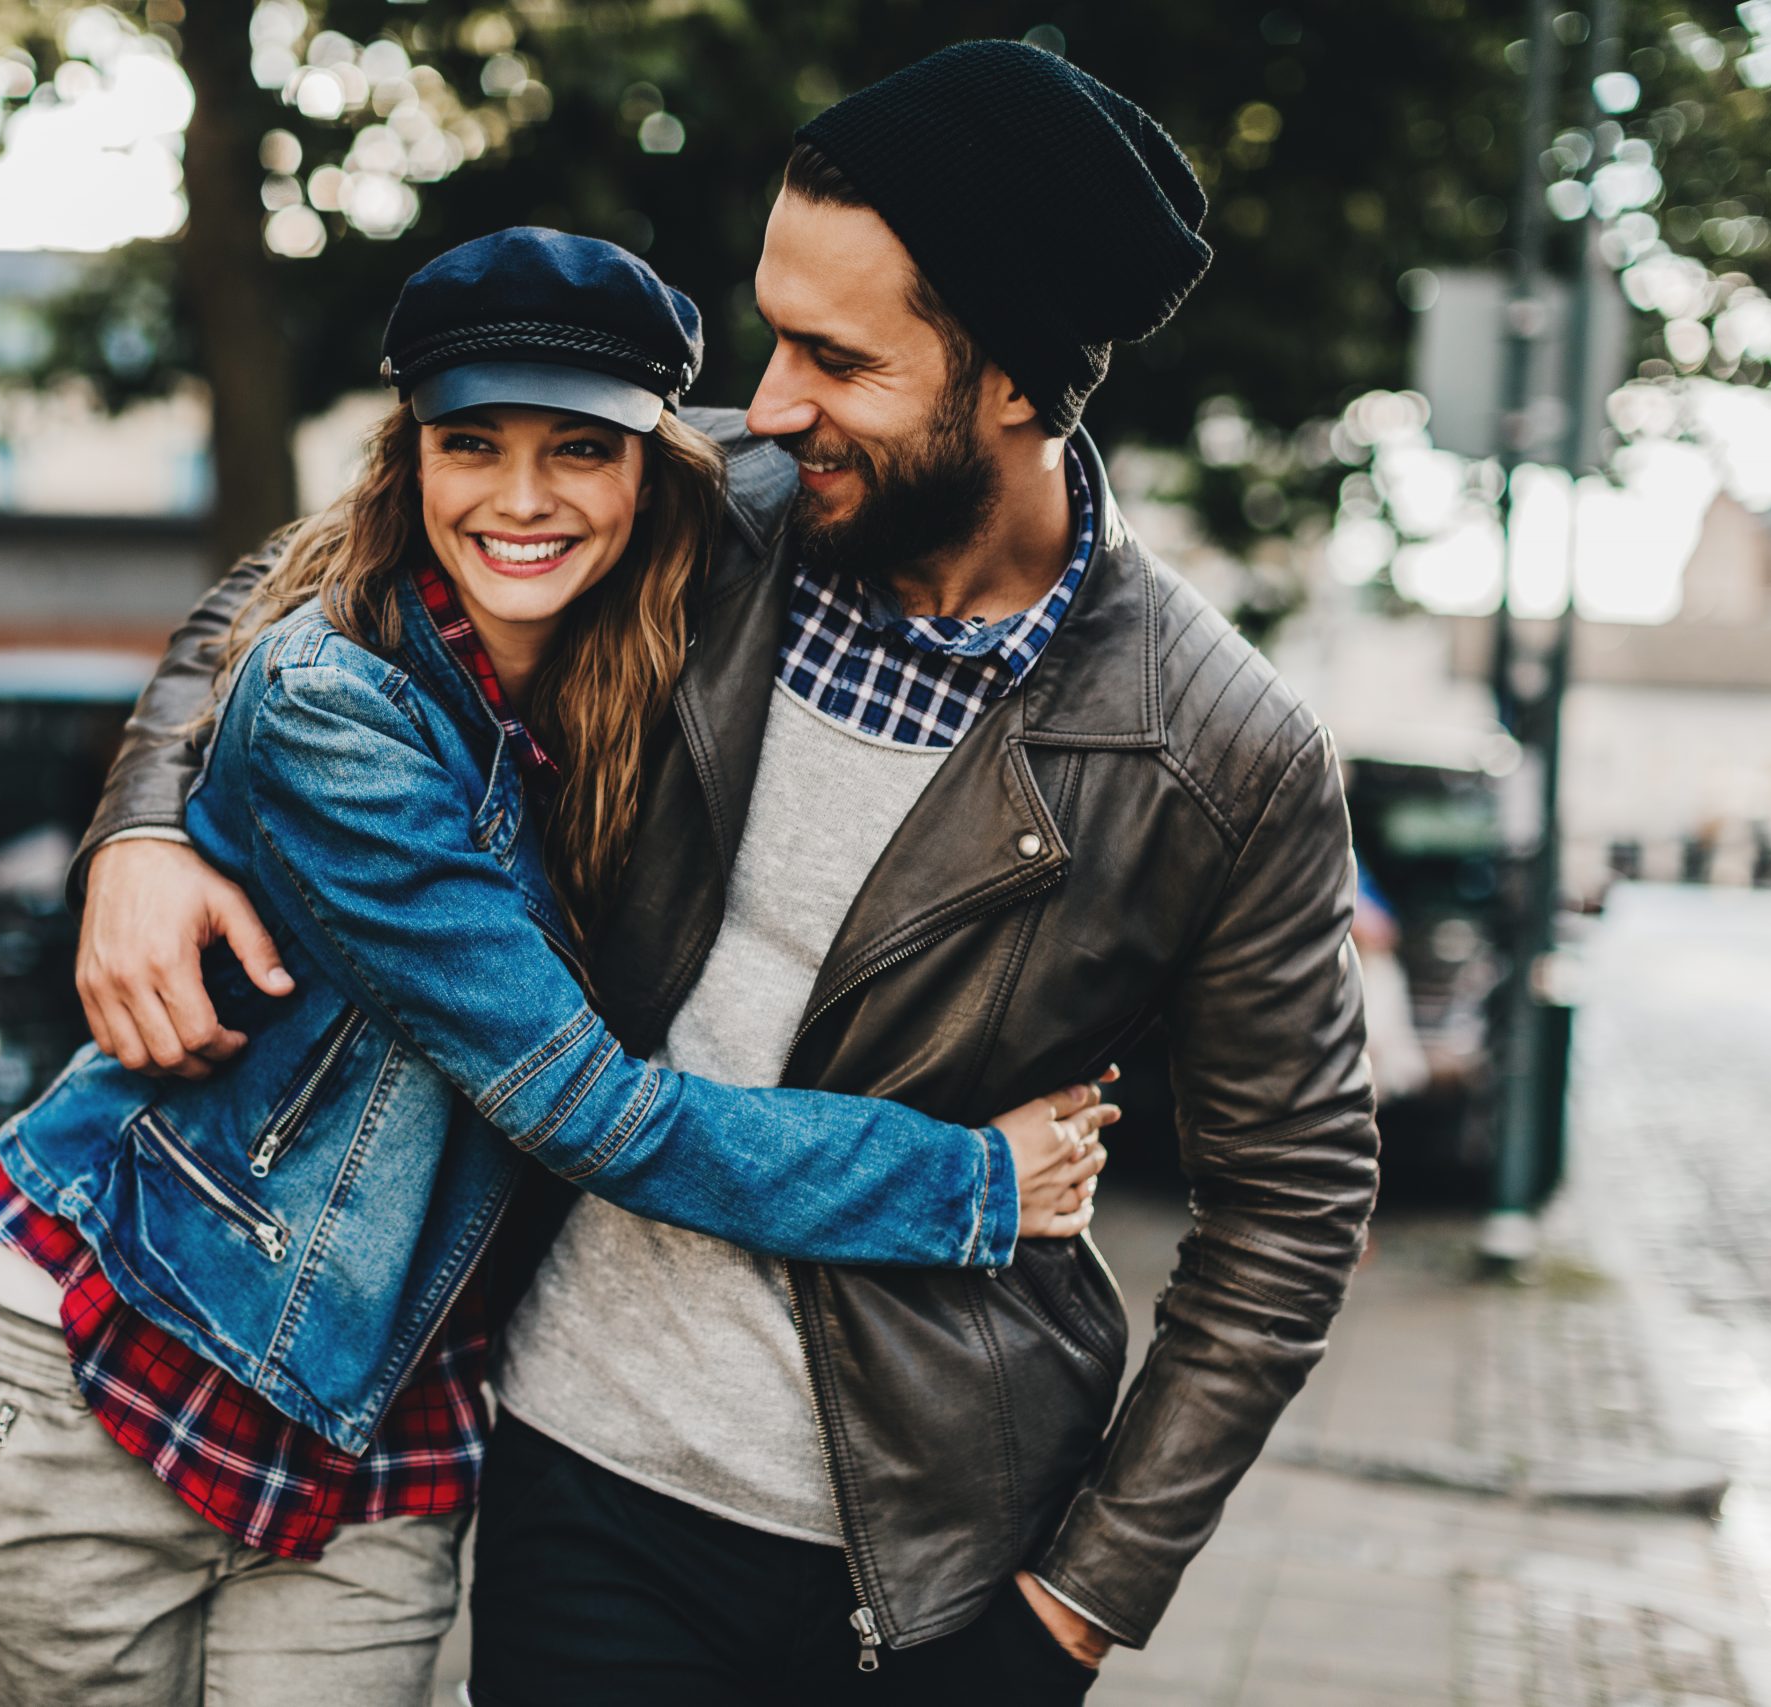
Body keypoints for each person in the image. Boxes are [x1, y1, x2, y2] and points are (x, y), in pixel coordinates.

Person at [74, 42, 1381, 1706]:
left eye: (835, 358)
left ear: (1020, 385)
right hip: (576, 1473)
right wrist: (146, 827)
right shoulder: (705, 508)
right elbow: (315, 580)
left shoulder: (1224, 754)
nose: (765, 400)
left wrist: (1075, 1609)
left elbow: (1293, 1209)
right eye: (773, 333)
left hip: (926, 1566)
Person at [0, 227, 1118, 1707]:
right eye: (470, 443)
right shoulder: (334, 711)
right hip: (126, 1353)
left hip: (390, 1415)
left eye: (579, 449)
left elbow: (946, 492)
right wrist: (968, 1185)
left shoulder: (666, 612)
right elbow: (585, 1109)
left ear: (655, 468)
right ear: (409, 458)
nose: (522, 498)